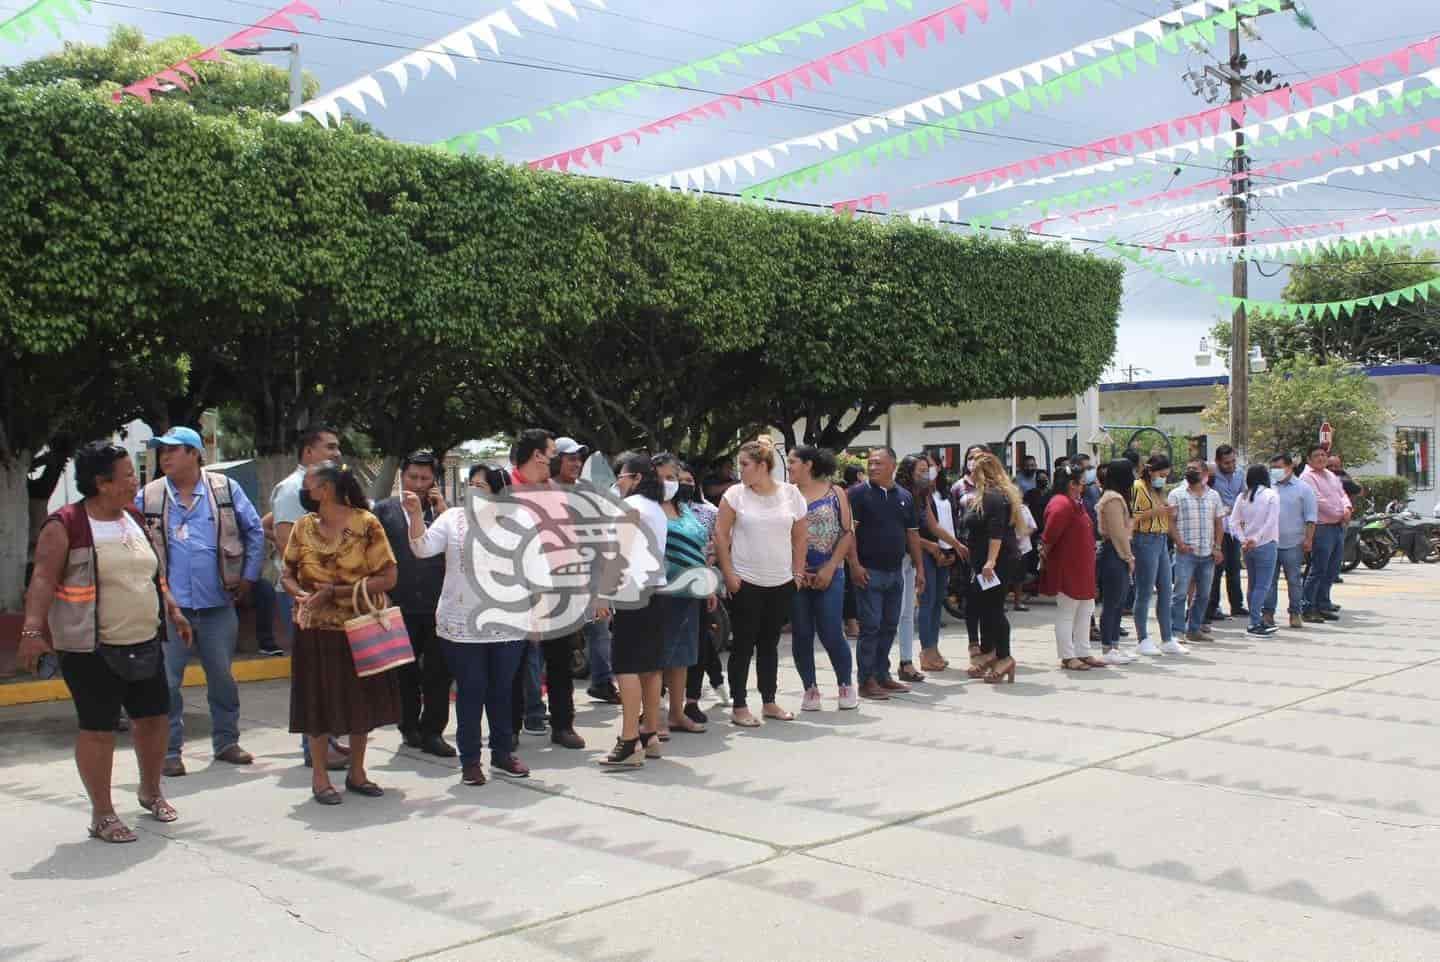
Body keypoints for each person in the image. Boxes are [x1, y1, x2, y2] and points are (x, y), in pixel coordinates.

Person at [19, 442, 194, 841]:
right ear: (101, 483)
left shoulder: (133, 517)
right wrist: (32, 631)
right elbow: (43, 579)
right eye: (128, 474)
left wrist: (173, 608)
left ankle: (151, 792)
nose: (136, 480)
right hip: (89, 647)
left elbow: (150, 572)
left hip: (145, 638)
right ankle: (103, 813)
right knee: (98, 729)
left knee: (153, 720)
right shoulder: (66, 524)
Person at [137, 426, 264, 777]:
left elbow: (254, 531)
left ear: (194, 454)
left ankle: (226, 742)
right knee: (166, 681)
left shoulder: (224, 489)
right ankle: (170, 751)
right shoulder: (148, 496)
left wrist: (249, 576)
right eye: (161, 451)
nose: (165, 456)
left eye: (173, 450)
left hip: (217, 604)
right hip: (168, 608)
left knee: (222, 676)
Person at [280, 461, 401, 805]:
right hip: (314, 630)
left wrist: (337, 592)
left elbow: (388, 577)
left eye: (310, 485)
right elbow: (286, 572)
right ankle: (320, 778)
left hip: (358, 627)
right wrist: (300, 594)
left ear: (327, 489)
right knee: (316, 705)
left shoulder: (366, 524)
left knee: (359, 703)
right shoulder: (303, 527)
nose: (305, 492)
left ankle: (357, 772)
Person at [406, 462, 527, 787]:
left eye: (482, 486)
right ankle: (470, 761)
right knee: (471, 692)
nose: (474, 490)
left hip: (508, 623)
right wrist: (417, 513)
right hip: (461, 625)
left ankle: (502, 753)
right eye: (471, 484)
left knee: (501, 692)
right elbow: (421, 547)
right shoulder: (452, 518)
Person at [715, 437, 808, 726]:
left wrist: (797, 573)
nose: (739, 469)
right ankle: (739, 705)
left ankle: (769, 701)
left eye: (744, 464)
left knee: (770, 644)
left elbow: (801, 535)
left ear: (763, 466)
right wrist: (729, 573)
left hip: (781, 582)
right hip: (746, 582)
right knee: (743, 645)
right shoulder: (734, 495)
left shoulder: (791, 494)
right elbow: (721, 535)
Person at [272, 424, 348, 771]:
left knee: (330, 673)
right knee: (313, 675)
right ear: (307, 453)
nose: (336, 452)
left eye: (337, 447)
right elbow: (286, 541)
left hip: (331, 595)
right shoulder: (294, 489)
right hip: (307, 596)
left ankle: (328, 740)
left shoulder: (327, 489)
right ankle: (314, 748)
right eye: (329, 447)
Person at [373, 451, 454, 757]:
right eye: (412, 477)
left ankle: (434, 731)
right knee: (404, 674)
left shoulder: (443, 515)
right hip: (399, 605)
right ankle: (409, 727)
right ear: (401, 476)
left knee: (438, 673)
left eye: (425, 478)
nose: (418, 484)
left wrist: (442, 508)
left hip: (438, 606)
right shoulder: (383, 511)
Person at [597, 452, 670, 766]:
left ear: (637, 478)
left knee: (626, 666)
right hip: (656, 591)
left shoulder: (631, 508)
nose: (619, 483)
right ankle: (649, 733)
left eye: (622, 477)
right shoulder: (657, 509)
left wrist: (601, 594)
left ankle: (629, 740)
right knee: (650, 667)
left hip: (632, 593)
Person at [848, 447, 926, 700]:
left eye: (878, 463)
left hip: (896, 573)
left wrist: (920, 568)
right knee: (870, 627)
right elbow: (849, 534)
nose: (872, 467)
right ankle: (866, 680)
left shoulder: (904, 496)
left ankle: (883, 675)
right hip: (869, 572)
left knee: (890, 625)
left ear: (893, 465)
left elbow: (912, 534)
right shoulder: (857, 494)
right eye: (870, 463)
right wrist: (855, 565)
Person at [787, 445, 857, 711]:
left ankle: (845, 685)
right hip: (796, 576)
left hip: (831, 573)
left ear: (809, 464)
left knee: (831, 631)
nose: (789, 466)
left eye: (793, 461)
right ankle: (810, 688)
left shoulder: (836, 492)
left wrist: (830, 568)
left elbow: (847, 533)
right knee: (802, 633)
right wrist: (797, 570)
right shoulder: (786, 495)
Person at [653, 453, 714, 736]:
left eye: (673, 477)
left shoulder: (685, 509)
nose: (670, 483)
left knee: (682, 656)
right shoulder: (647, 509)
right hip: (658, 593)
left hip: (690, 593)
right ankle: (652, 716)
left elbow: (699, 547)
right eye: (663, 477)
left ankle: (677, 713)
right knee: (655, 657)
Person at [960, 453, 1025, 683]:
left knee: (994, 609)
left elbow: (996, 533)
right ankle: (990, 652)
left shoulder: (993, 496)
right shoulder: (996, 495)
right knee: (985, 607)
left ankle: (1005, 656)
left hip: (995, 562)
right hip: (989, 562)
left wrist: (990, 561)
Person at [1039, 465, 1104, 670]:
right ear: (1071, 484)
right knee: (1068, 611)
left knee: (1086, 608)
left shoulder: (1076, 503)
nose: (1083, 485)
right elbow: (1049, 537)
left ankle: (1083, 652)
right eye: (1080, 481)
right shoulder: (1060, 504)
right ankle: (1068, 656)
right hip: (1067, 566)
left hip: (1082, 566)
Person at [680, 464, 727, 722]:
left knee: (699, 640)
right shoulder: (664, 511)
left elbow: (716, 544)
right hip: (669, 586)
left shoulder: (708, 511)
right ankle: (717, 679)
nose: (684, 484)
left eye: (689, 479)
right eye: (679, 480)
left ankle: (692, 699)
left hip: (700, 581)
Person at [1167, 459, 1225, 644]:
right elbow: (1170, 522)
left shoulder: (1213, 495)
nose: (1190, 471)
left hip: (1207, 553)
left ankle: (1194, 629)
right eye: (1188, 468)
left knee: (1204, 594)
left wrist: (1217, 547)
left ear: (1204, 473)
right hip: (1186, 552)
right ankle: (1176, 630)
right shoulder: (1176, 494)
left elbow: (1218, 523)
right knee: (1180, 593)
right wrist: (1179, 543)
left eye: (1195, 469)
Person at [1131, 454, 1180, 656]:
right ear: (1150, 471)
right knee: (1144, 591)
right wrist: (1160, 511)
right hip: (1145, 538)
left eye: (1166, 476)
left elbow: (1163, 515)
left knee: (1166, 589)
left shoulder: (1158, 490)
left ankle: (1167, 637)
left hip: (1160, 540)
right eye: (1161, 474)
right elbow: (1135, 517)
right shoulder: (1138, 487)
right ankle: (1142, 638)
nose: (1163, 479)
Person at [1229, 465, 1281, 637]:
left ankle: (1254, 619)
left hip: (1248, 546)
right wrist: (1256, 539)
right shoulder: (1271, 495)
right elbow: (1271, 521)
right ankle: (1255, 622)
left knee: (1253, 584)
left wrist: (1244, 539)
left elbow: (1233, 523)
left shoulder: (1242, 496)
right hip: (1266, 544)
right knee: (1262, 585)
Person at [1300, 444, 1351, 623]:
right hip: (1322, 527)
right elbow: (1318, 501)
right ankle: (1307, 607)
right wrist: (1339, 514)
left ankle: (1323, 603)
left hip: (1337, 526)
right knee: (1318, 569)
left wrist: (1347, 508)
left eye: (1323, 455)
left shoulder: (1330, 475)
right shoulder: (1307, 477)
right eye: (1316, 456)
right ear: (1309, 460)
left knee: (1332, 569)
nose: (1321, 458)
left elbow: (1342, 493)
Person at [1267, 454, 1317, 630]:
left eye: (1279, 467)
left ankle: (1295, 612)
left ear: (1290, 467)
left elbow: (1311, 518)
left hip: (1294, 543)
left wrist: (1308, 539)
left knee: (1294, 580)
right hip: (1270, 542)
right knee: (1269, 581)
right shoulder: (1268, 487)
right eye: (1273, 468)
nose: (1275, 471)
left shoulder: (1304, 489)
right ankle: (1268, 614)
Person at [1096, 459, 1139, 661]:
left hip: (1118, 552)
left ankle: (1114, 645)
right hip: (1114, 552)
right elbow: (1117, 533)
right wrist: (1128, 557)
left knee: (1119, 601)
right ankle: (1107, 647)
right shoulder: (1112, 498)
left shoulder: (1117, 497)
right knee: (1112, 602)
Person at [1206, 444, 1248, 622]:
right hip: (1217, 527)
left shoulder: (1239, 474)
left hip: (1233, 527)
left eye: (1233, 462)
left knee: (1234, 567)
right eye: (1226, 463)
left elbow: (1244, 495)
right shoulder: (1211, 475)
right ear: (1217, 462)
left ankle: (1237, 605)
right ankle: (1213, 607)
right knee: (1216, 568)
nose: (1230, 466)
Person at [840, 463, 866, 641]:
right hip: (855, 544)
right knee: (853, 585)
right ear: (858, 475)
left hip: (851, 544)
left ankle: (853, 622)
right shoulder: (858, 492)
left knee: (851, 585)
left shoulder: (843, 492)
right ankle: (853, 623)